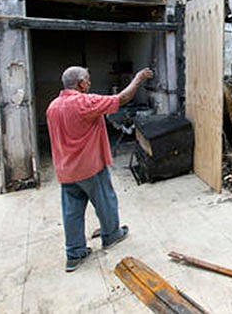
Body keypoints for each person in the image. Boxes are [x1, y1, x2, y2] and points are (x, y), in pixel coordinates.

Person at [46, 65, 153, 272]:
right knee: (105, 201)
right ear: (79, 83)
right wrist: (138, 79)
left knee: (72, 212)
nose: (89, 83)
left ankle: (74, 253)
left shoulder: (53, 106)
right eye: (87, 80)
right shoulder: (84, 102)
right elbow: (121, 99)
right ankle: (111, 234)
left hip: (65, 170)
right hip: (89, 167)